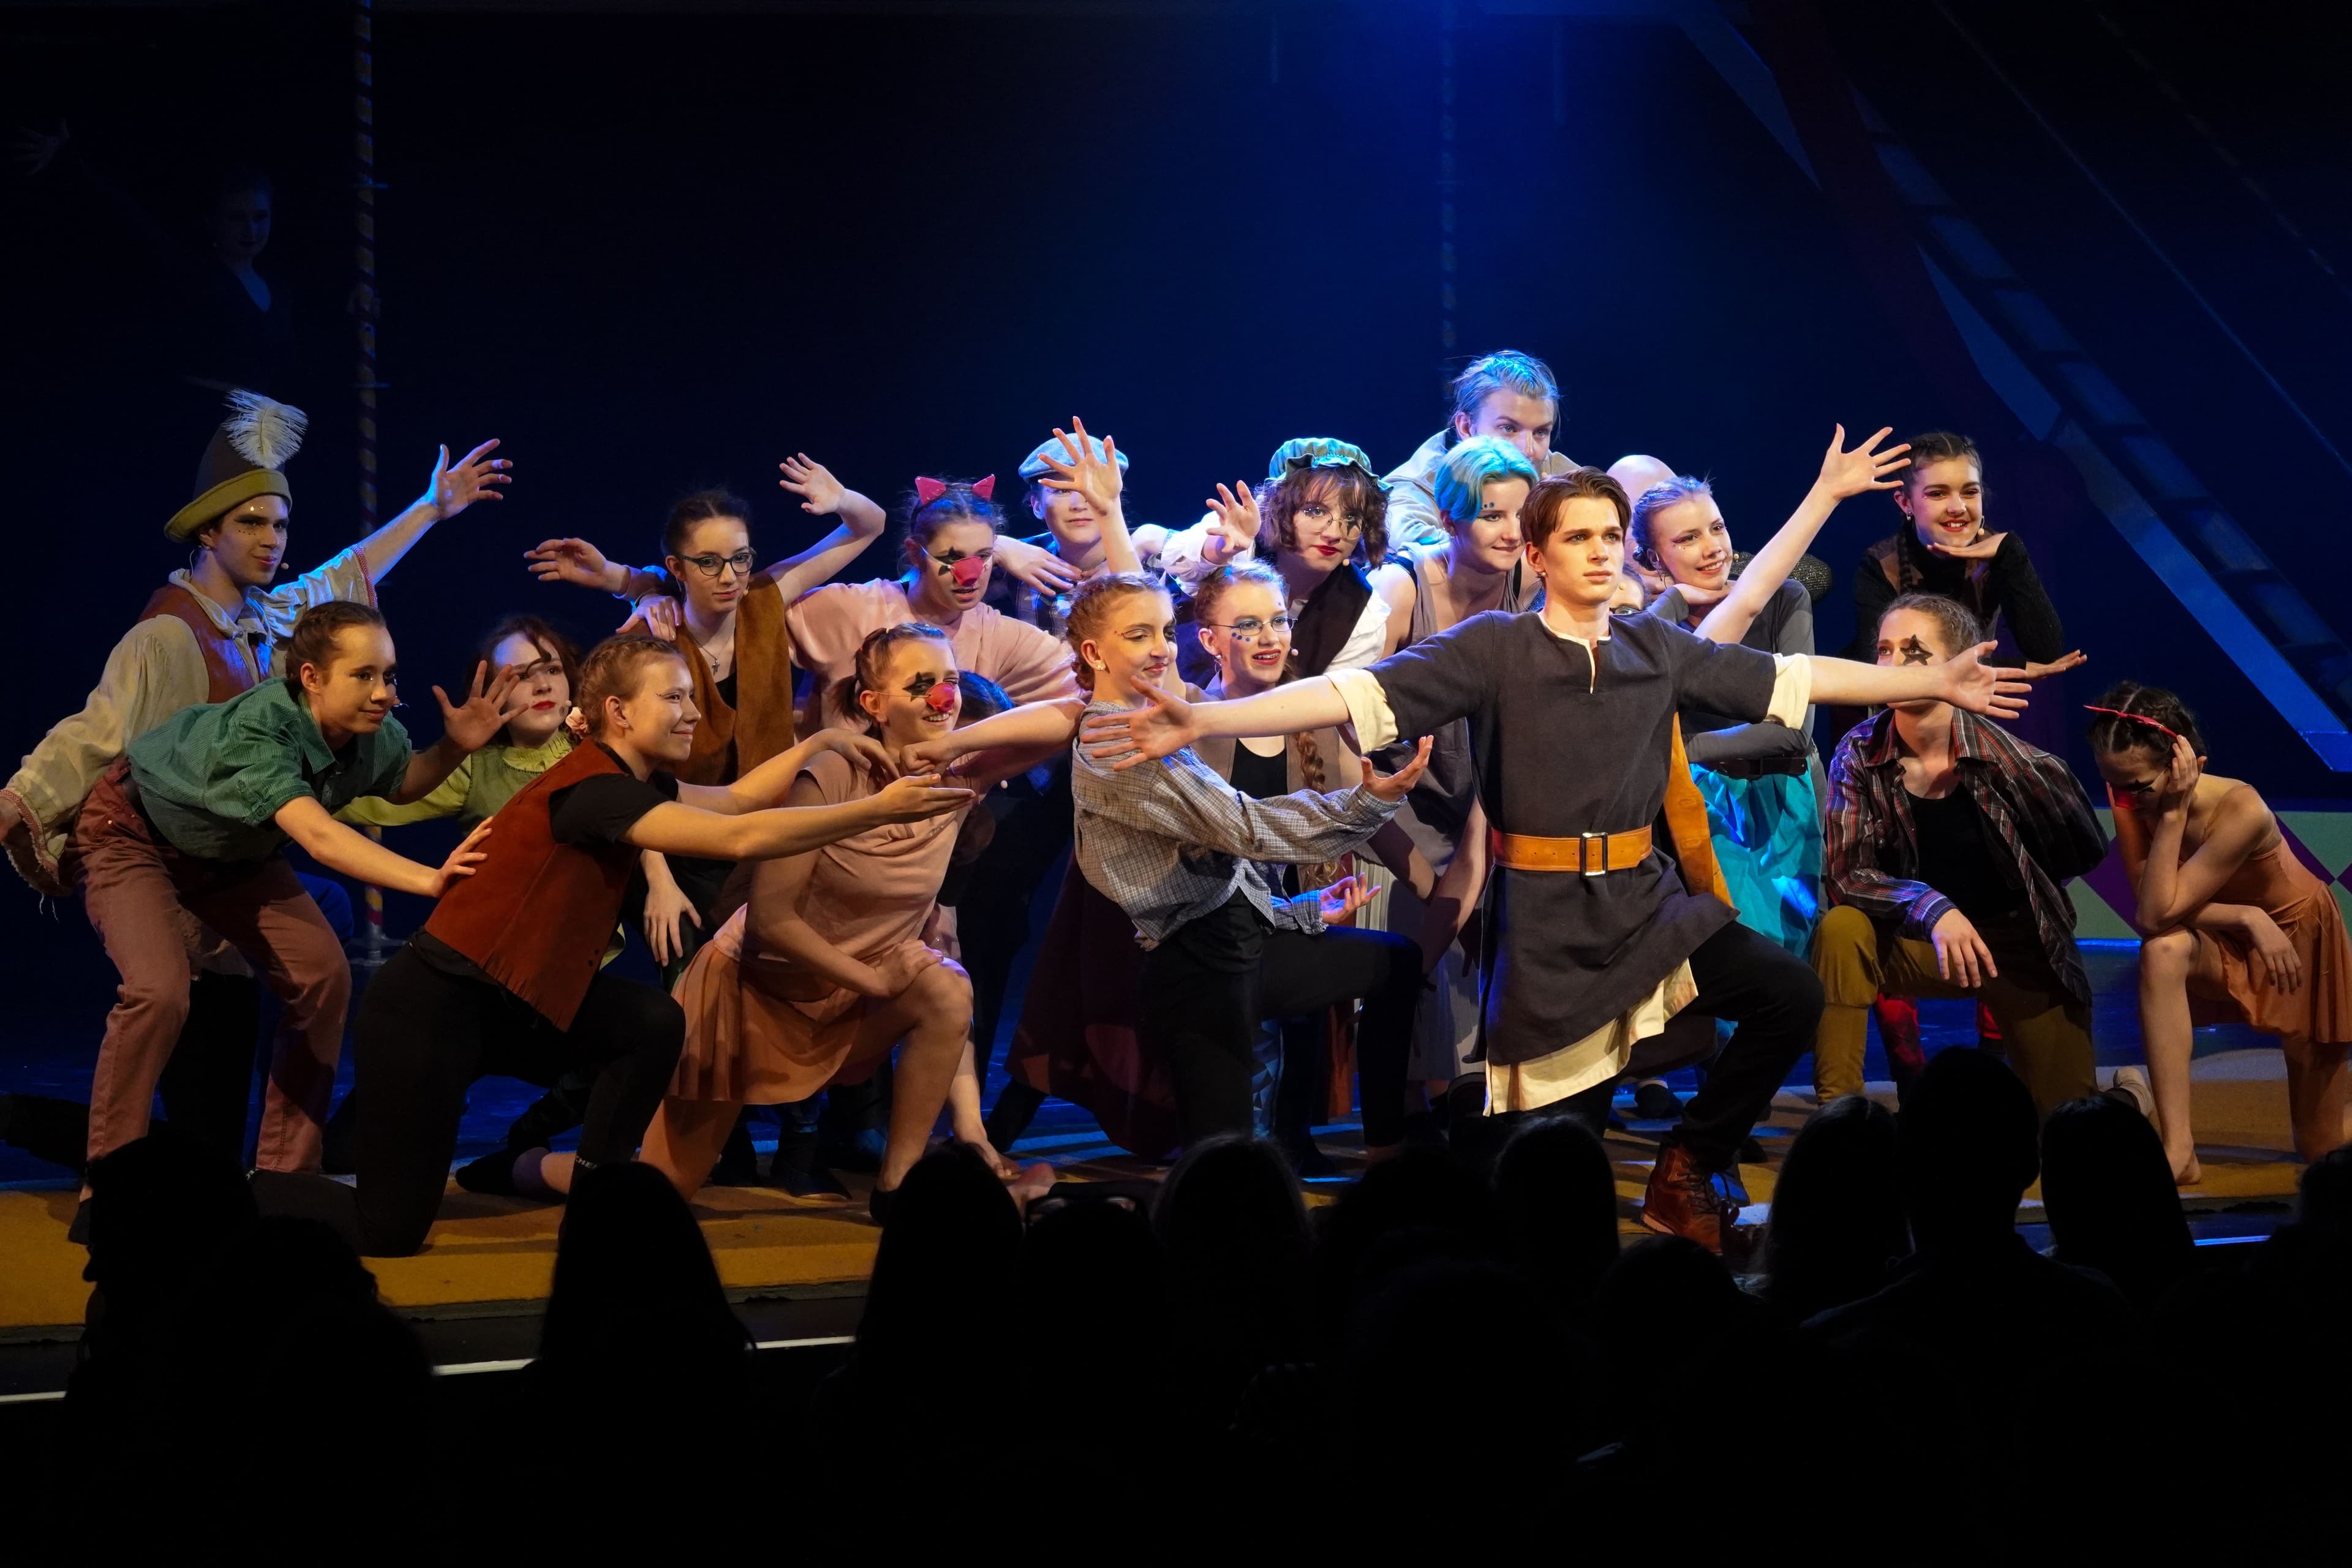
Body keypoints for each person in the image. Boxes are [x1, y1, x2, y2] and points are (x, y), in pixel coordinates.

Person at [1082, 465, 2035, 1253]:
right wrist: (1206, 715)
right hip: (1545, 921)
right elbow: (1346, 697)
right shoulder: (1492, 647)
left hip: (1647, 900)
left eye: (1611, 537)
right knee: (1554, 1177)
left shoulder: (1654, 646)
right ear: (1536, 556)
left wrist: (1930, 676)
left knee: (1784, 993)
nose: (1600, 552)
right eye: (1578, 538)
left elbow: (1796, 680)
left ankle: (1687, 1165)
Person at [348, 634, 973, 1256]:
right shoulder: (593, 790)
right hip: (436, 1008)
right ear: (619, 712)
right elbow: (743, 838)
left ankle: (600, 1207)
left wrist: (821, 740)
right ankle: (257, 1198)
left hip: (520, 1006)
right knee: (391, 1233)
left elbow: (738, 800)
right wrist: (876, 810)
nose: (695, 712)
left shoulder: (628, 781)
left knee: (647, 1021)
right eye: (674, 697)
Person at [984, 561, 1426, 1170]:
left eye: (1167, 632)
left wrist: (1300, 911)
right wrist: (1372, 802)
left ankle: (1384, 1146)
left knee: (1394, 960)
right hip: (1198, 965)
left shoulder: (1194, 722)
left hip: (1241, 942)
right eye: (1141, 635)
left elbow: (1222, 870)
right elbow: (1243, 829)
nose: (1162, 647)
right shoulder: (1134, 737)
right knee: (1221, 1156)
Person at [77, 600, 521, 1206]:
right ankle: (110, 1185)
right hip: (135, 834)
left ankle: (288, 1179)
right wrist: (429, 879)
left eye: (389, 675)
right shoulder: (264, 727)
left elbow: (402, 780)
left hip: (234, 857)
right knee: (158, 990)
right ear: (311, 677)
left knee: (322, 976)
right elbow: (316, 835)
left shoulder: (375, 733)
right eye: (363, 676)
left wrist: (454, 747)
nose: (384, 692)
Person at [641, 622, 1061, 1213]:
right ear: (874, 704)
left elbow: (1074, 717)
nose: (942, 698)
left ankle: (898, 1188)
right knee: (657, 1192)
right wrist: (875, 981)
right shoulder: (833, 777)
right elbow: (771, 921)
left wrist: (943, 750)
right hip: (754, 999)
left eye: (948, 681)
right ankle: (525, 1166)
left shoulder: (960, 778)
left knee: (945, 984)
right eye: (920, 685)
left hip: (843, 1003)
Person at [1812, 594, 2106, 1117]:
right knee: (1841, 928)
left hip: (2014, 948)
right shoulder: (1859, 751)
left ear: (1962, 665)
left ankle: (2127, 1095)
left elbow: (2079, 849)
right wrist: (1935, 908)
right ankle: (1838, 1120)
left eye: (1914, 652)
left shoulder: (2013, 761)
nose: (1892, 666)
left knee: (2068, 1121)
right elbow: (1846, 873)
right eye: (1883, 651)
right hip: (1917, 945)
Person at [1637, 429, 1916, 957]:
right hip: (1700, 810)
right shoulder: (1647, 624)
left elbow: (1792, 733)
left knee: (1793, 962)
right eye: (1686, 539)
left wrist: (1686, 749)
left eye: (1715, 528)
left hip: (1786, 803)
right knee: (1726, 965)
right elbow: (1646, 702)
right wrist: (1674, 599)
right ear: (1652, 559)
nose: (1711, 548)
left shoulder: (1784, 599)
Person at [2091, 683, 2352, 1183]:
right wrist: (2244, 917)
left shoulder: (2243, 810)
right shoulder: (2134, 795)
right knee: (2161, 951)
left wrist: (2170, 814)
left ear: (2187, 765)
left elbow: (2160, 907)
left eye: (2138, 787)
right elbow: (2152, 914)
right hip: (2228, 937)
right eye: (2113, 785)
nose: (2125, 800)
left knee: (2321, 1146)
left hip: (2295, 943)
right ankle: (2179, 1149)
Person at [1366, 435, 1534, 1116]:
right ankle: (1395, 1118)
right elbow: (1352, 716)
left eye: (1523, 515)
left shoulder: (1531, 586)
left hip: (1486, 793)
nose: (1512, 531)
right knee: (1407, 948)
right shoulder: (1402, 584)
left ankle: (1466, 1102)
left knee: (1470, 951)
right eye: (1492, 514)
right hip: (1394, 797)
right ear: (1450, 518)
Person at [1159, 438, 1396, 680]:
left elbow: (1328, 703)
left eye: (1351, 517)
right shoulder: (1242, 536)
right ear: (1279, 507)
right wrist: (1222, 549)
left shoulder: (1361, 614)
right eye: (1315, 511)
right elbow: (1176, 559)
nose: (1334, 534)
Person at [1847, 429, 2078, 672]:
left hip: (1966, 702)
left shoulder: (2002, 553)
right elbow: (1880, 669)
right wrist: (2002, 669)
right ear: (1906, 503)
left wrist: (2013, 554)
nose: (1958, 507)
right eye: (1938, 494)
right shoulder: (1882, 564)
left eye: (1970, 492)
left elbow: (2045, 650)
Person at [1383, 350, 1579, 550]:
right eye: (1509, 429)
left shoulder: (1559, 474)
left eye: (1541, 432)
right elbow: (1419, 550)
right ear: (1466, 427)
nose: (1528, 450)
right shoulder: (1411, 489)